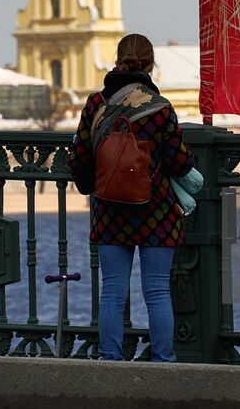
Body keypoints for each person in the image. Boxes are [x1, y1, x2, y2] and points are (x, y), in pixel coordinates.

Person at [68, 33, 194, 362]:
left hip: (110, 209)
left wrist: (89, 187)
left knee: (112, 291)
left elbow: (81, 157)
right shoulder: (160, 108)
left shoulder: (97, 104)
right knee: (156, 291)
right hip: (156, 211)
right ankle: (163, 363)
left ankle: (110, 360)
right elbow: (180, 162)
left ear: (117, 59)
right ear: (151, 64)